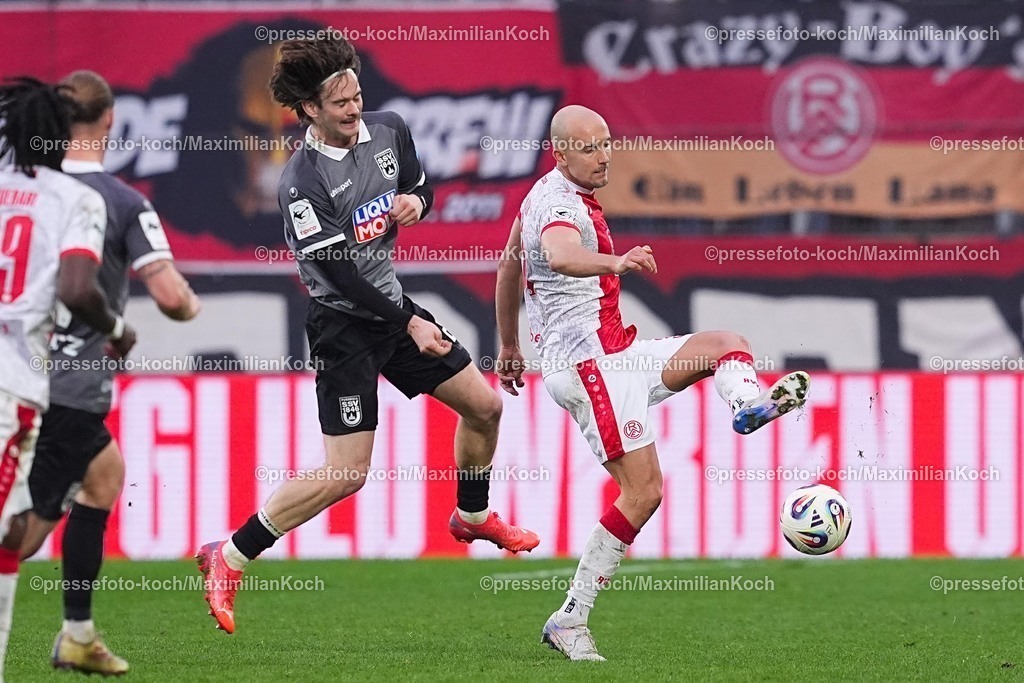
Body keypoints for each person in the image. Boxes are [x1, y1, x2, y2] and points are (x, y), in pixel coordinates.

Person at [196, 37, 539, 635]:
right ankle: (227, 556)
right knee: (346, 473)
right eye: (341, 103)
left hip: (393, 305)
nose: (356, 108)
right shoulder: (300, 183)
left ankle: (471, 515)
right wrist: (407, 319)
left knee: (484, 407)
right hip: (344, 324)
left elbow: (421, 190)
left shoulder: (389, 130)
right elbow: (339, 275)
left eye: (358, 95)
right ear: (307, 110)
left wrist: (415, 202)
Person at [495, 105, 810, 661]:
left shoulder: (537, 195)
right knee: (644, 491)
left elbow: (506, 266)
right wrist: (615, 262)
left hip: (617, 355)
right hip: (590, 368)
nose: (603, 155)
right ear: (560, 152)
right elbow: (560, 255)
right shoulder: (559, 205)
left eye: (607, 143)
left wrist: (510, 347)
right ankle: (571, 618)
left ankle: (745, 405)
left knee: (724, 344)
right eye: (589, 147)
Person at [17, 70, 200, 675]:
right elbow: (171, 297)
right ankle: (74, 634)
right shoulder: (115, 201)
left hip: (18, 366)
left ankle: (77, 634)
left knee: (104, 474)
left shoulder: (18, 186)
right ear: (110, 120)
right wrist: (186, 306)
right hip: (64, 384)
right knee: (26, 530)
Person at [0, 76, 137, 679]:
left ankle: (77, 634)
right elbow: (78, 288)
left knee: (102, 472)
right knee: (13, 537)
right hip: (19, 381)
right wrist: (117, 329)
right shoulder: (73, 199)